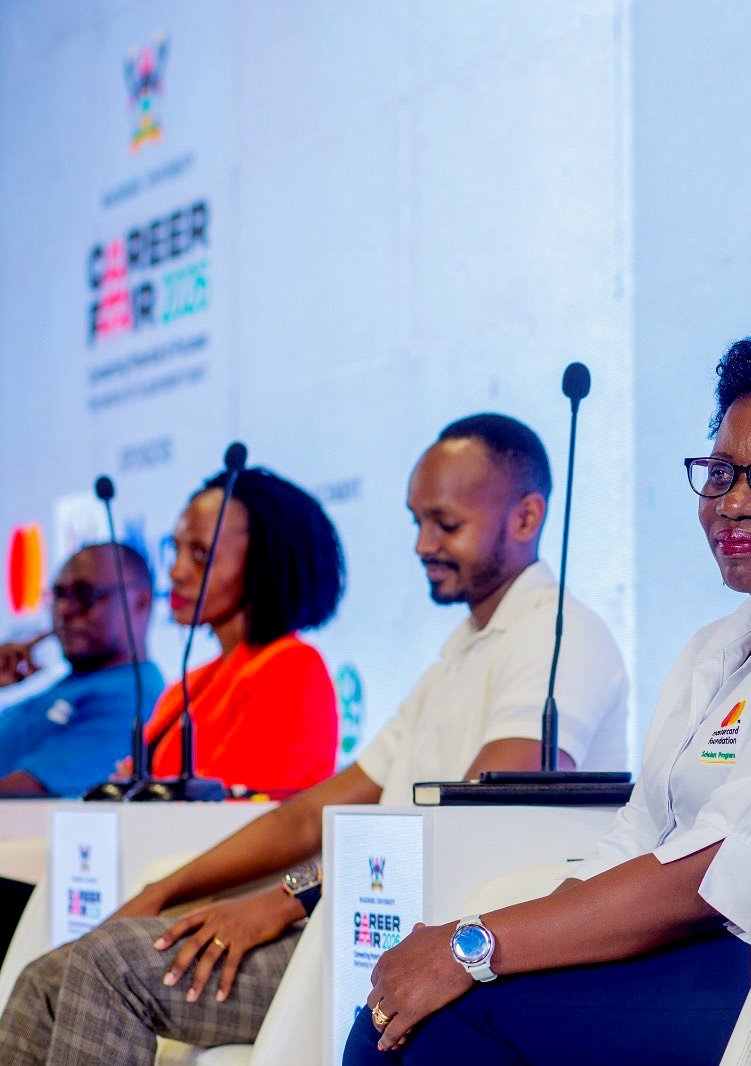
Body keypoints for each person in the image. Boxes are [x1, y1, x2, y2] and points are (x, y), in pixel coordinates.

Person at [343, 337, 751, 1064]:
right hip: (703, 952)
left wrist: (475, 949)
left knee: (452, 1023)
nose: (734, 502)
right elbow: (638, 836)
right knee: (400, 1016)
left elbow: (724, 868)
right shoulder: (713, 648)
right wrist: (501, 939)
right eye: (719, 473)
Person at [0, 413, 629, 1065]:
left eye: (445, 524)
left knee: (111, 966)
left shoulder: (560, 638)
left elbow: (474, 818)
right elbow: (307, 814)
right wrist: (165, 891)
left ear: (526, 518)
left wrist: (283, 900)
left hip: (431, 949)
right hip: (362, 919)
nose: (421, 544)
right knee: (49, 977)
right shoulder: (455, 661)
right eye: (416, 522)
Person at [133, 465, 345, 795]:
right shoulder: (190, 684)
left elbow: (246, 808)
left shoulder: (292, 670)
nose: (176, 572)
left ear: (266, 561)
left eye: (201, 554)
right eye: (176, 550)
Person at [0, 544, 163, 797]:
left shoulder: (133, 695)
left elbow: (24, 792)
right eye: (59, 595)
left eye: (85, 595)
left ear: (140, 601)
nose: (65, 610)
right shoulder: (73, 683)